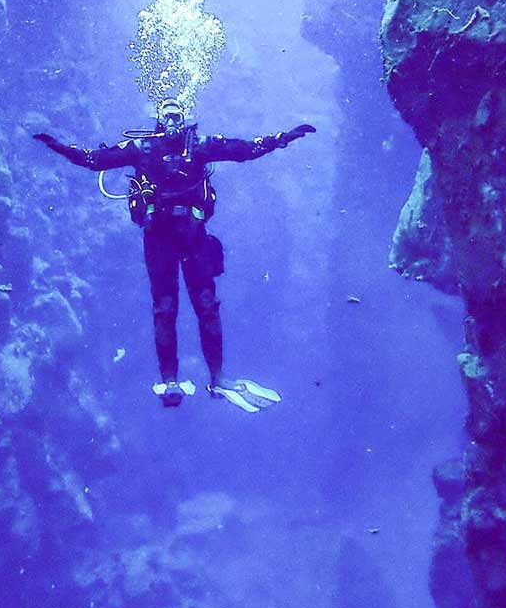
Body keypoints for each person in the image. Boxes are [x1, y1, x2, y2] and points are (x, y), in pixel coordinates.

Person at [33, 98, 314, 407]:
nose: (171, 122)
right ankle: (169, 380)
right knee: (165, 309)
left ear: (185, 118)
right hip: (159, 239)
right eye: (166, 116)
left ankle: (218, 378)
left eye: (176, 116)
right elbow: (94, 159)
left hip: (194, 236)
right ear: (157, 119)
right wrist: (57, 146)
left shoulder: (202, 146)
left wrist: (283, 138)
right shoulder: (141, 149)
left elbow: (244, 150)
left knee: (207, 306)